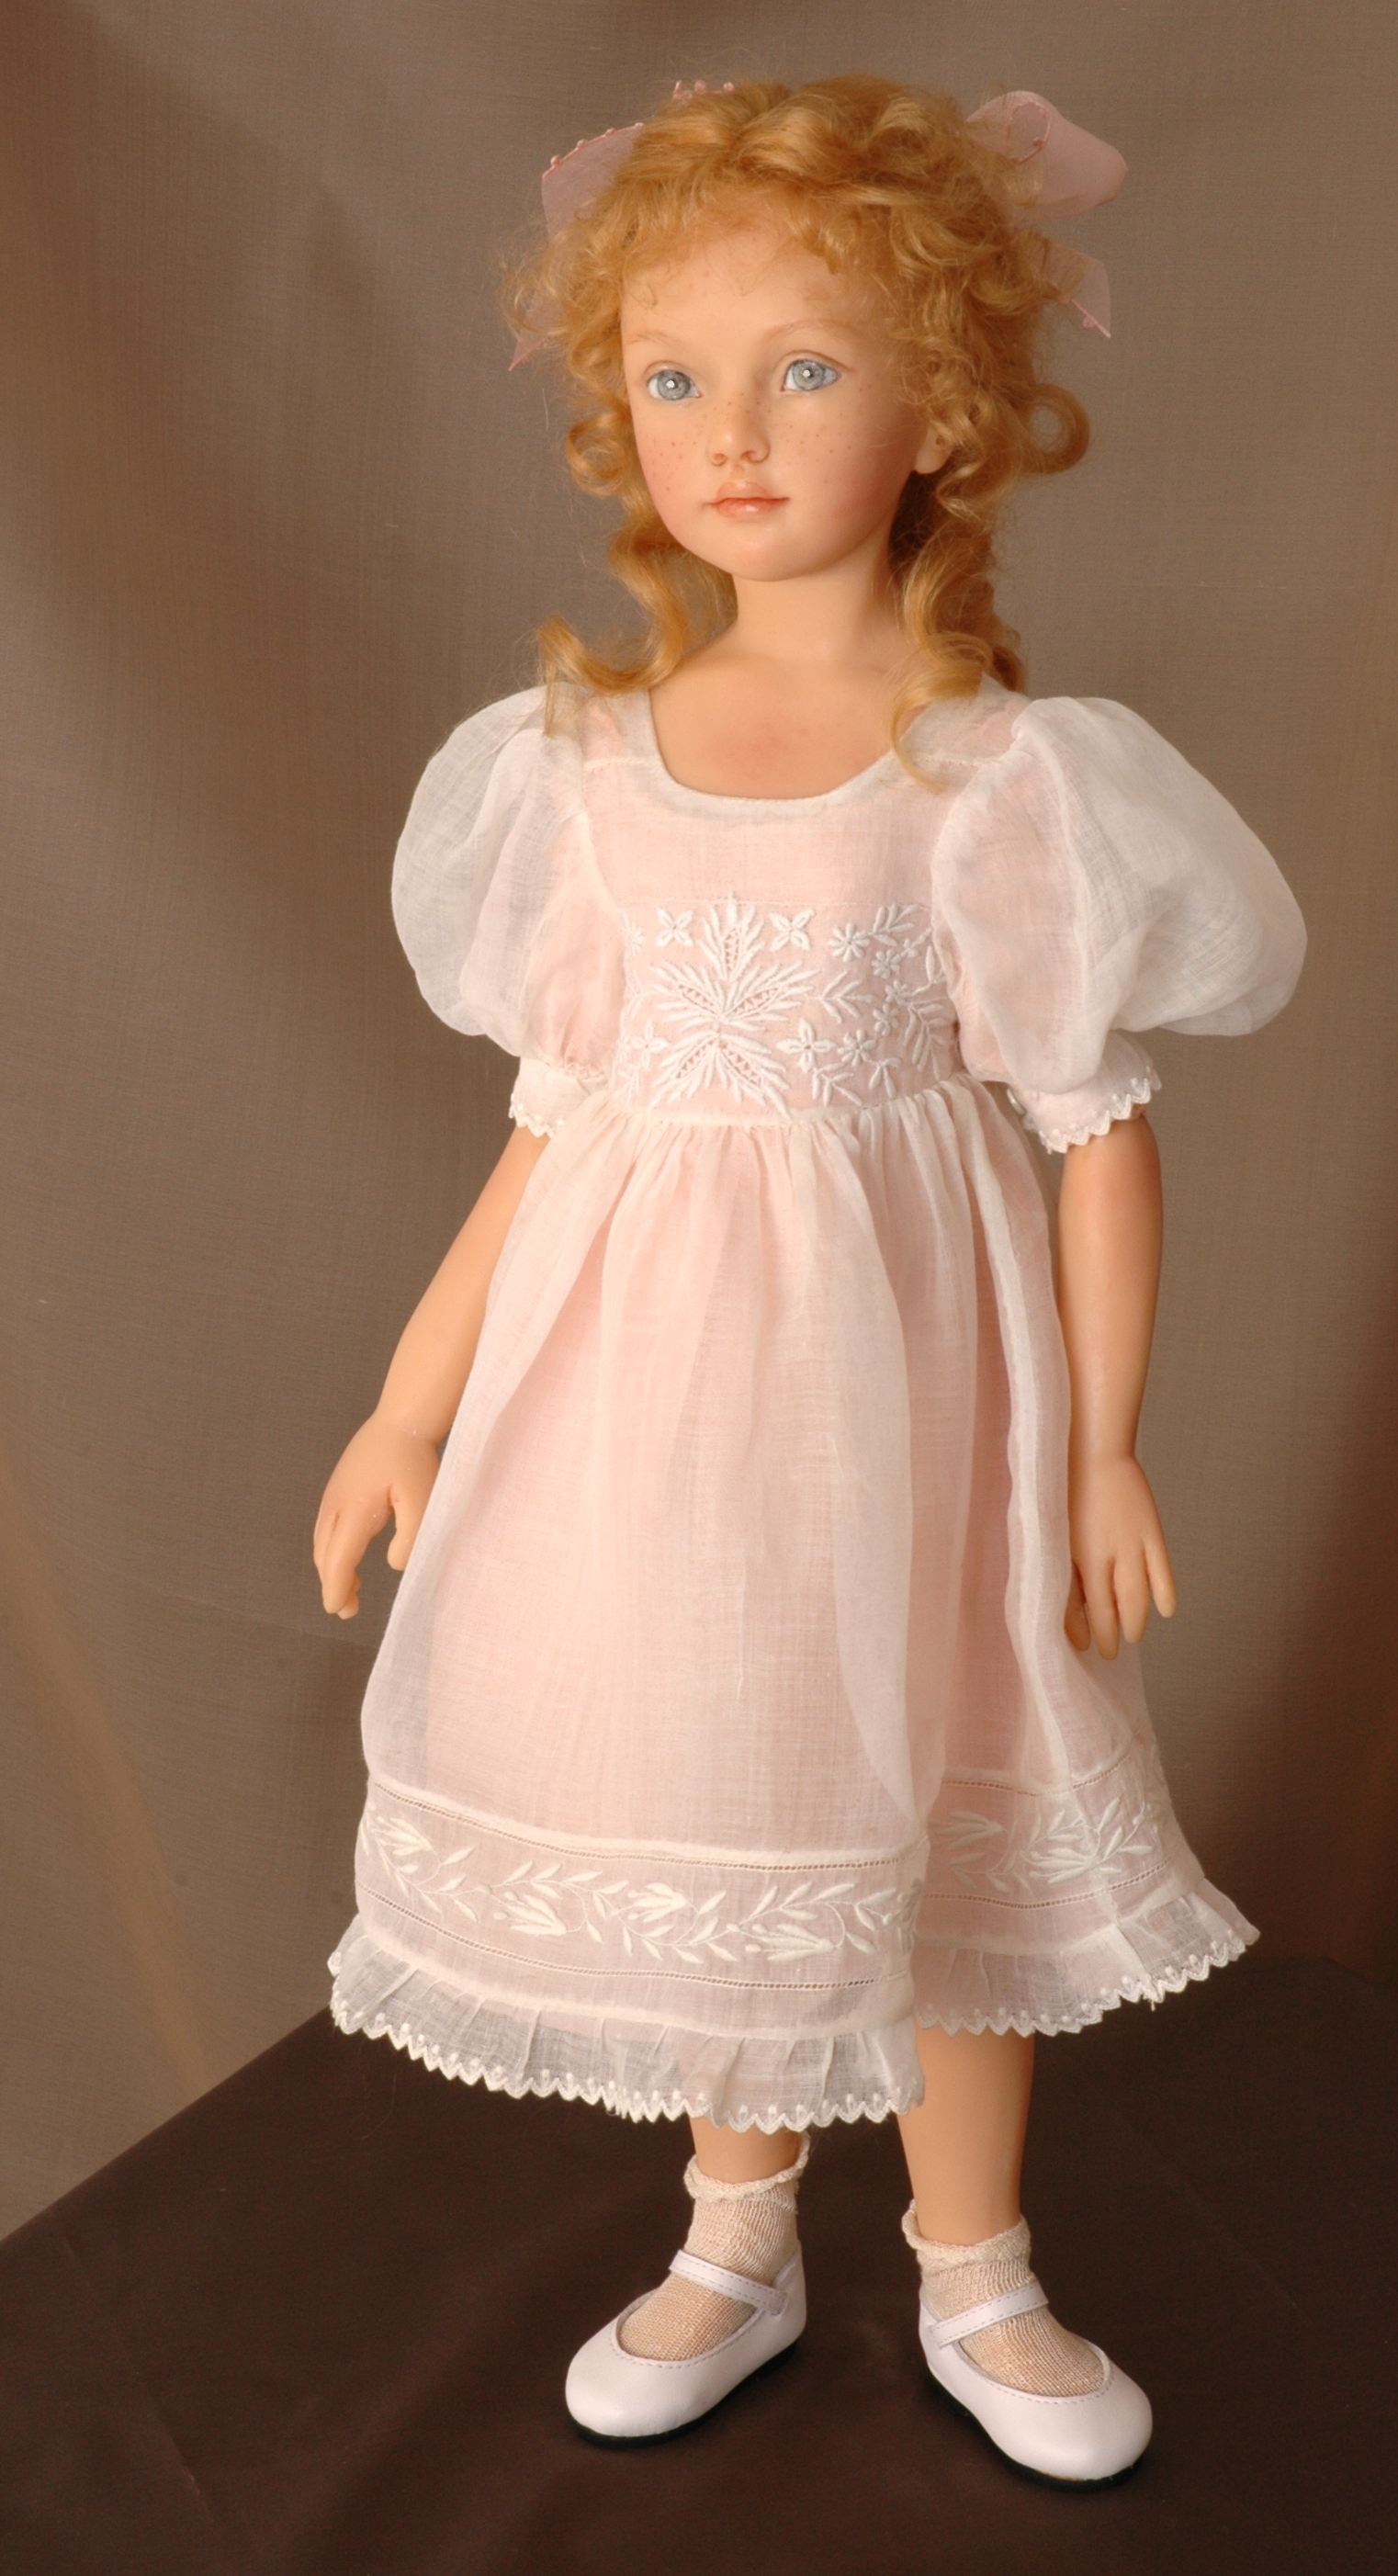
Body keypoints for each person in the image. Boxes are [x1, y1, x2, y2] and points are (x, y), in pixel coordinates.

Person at [312, 77, 1304, 2480]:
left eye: (804, 368)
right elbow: (552, 1129)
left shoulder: (990, 778)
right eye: (676, 376)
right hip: (642, 1415)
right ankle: (733, 2236)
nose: (732, 434)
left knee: (942, 1792)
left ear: (940, 409)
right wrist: (412, 1403)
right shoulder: (581, 770)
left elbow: (1093, 1135)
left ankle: (979, 2268)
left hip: (917, 1406)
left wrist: (1097, 1445)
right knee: (730, 1766)